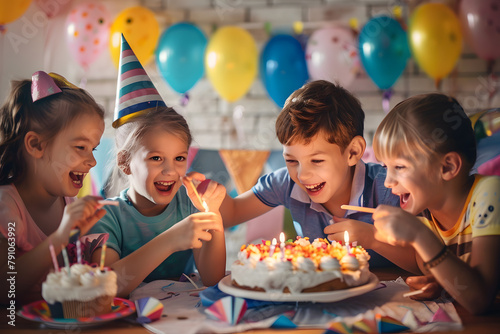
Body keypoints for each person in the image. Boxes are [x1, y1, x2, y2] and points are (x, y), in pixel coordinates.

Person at [88, 35, 226, 297]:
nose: (170, 170)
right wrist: (171, 239)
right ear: (125, 163)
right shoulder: (106, 216)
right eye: (156, 158)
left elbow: (213, 278)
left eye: (179, 158)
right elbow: (105, 288)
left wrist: (214, 215)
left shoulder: (189, 207)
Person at [220, 80, 405, 268]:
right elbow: (232, 212)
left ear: (353, 152)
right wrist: (212, 196)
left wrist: (373, 239)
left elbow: (423, 261)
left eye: (316, 161)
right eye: (292, 161)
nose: (303, 175)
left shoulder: (389, 188)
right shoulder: (287, 183)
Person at [371, 93, 500, 314]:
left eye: (400, 167)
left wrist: (420, 236)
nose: (388, 182)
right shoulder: (425, 208)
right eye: (385, 167)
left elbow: (480, 300)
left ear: (447, 167)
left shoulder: (489, 195)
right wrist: (442, 283)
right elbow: (450, 275)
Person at [0, 71, 106, 304]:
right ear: (36, 145)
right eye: (80, 147)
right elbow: (4, 288)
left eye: (93, 149)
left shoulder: (69, 205)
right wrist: (60, 237)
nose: (92, 161)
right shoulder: (6, 208)